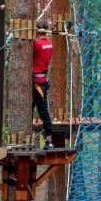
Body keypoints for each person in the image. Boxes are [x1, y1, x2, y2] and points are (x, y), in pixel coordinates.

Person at [33, 20, 54, 149]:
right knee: (43, 111)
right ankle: (48, 140)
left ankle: (48, 140)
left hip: (37, 83)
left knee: (41, 111)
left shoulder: (37, 44)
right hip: (41, 82)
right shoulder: (49, 43)